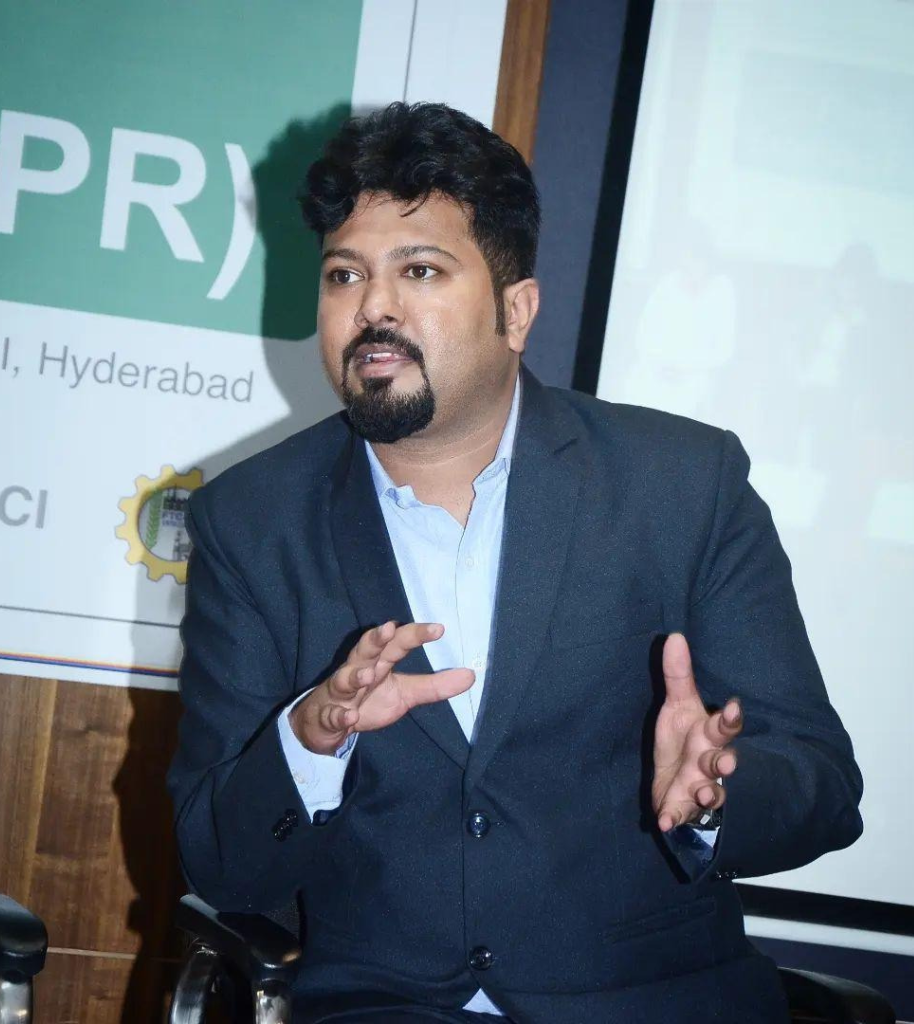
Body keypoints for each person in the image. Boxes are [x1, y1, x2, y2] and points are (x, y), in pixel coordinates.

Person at [168, 102, 863, 1023]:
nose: (374, 307)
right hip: (386, 1007)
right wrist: (308, 739)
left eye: (420, 270)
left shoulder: (682, 484)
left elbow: (823, 787)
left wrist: (714, 793)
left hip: (648, 1002)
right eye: (345, 274)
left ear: (517, 310)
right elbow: (222, 865)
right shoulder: (252, 521)